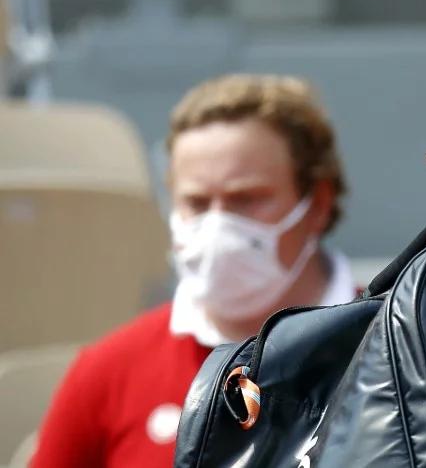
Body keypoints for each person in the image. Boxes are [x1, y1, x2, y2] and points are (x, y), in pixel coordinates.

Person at [32, 74, 359, 467]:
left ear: (317, 204)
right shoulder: (107, 372)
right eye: (197, 203)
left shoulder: (397, 353)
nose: (218, 225)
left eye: (246, 199)